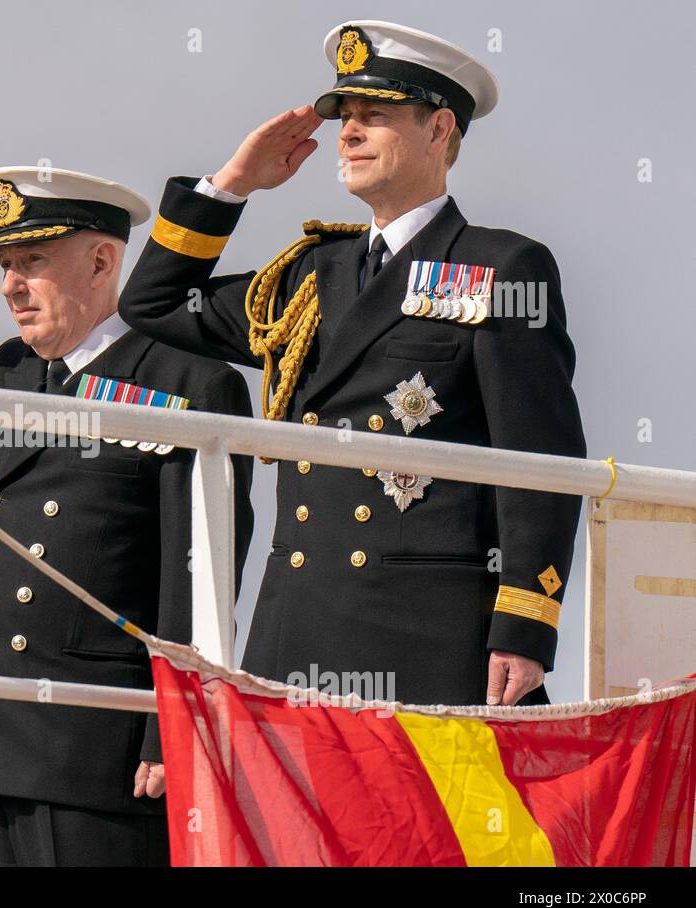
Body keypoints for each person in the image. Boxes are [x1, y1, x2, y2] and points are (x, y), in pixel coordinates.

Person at [118, 21, 586, 708]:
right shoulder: (311, 273)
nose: (349, 133)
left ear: (438, 129)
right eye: (345, 118)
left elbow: (542, 458)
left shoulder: (500, 267)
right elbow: (153, 303)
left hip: (426, 630)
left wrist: (525, 624)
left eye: (376, 116)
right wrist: (232, 185)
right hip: (297, 626)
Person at [0, 166, 255, 865]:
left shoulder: (187, 382)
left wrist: (173, 727)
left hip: (98, 746)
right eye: (5, 265)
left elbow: (201, 577)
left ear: (100, 261)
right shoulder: (5, 377)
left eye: (32, 261)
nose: (9, 285)